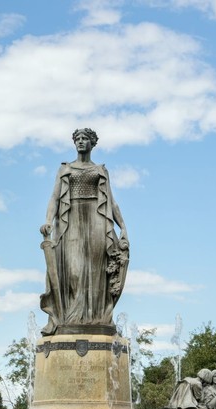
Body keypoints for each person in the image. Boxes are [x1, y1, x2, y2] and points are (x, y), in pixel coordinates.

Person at [39, 128, 130, 336]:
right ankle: (68, 318)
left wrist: (123, 227)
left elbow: (112, 201)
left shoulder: (100, 169)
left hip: (96, 219)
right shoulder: (65, 168)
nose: (80, 142)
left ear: (92, 143)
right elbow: (54, 197)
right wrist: (47, 220)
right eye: (77, 139)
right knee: (73, 271)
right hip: (70, 219)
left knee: (96, 270)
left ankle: (96, 318)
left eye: (85, 139)